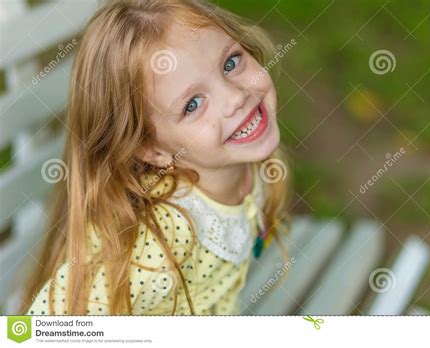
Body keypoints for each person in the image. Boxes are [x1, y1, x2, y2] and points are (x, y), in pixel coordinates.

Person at [22, 0, 291, 316]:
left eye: (231, 62)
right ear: (151, 150)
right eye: (192, 104)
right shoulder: (162, 239)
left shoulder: (244, 163)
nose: (235, 97)